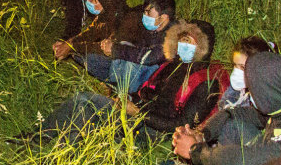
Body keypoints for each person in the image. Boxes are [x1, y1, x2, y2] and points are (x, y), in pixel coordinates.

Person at [14, 19, 222, 147]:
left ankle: (59, 155)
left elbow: (181, 124)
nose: (183, 45)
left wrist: (137, 113)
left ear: (204, 47)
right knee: (83, 101)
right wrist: (126, 100)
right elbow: (149, 90)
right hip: (136, 112)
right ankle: (39, 136)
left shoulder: (206, 83)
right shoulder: (174, 62)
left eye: (190, 42)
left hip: (150, 131)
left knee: (88, 116)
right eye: (182, 39)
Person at [147, 36, 274, 165]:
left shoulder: (264, 101)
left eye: (243, 68)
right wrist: (198, 136)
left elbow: (243, 144)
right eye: (235, 66)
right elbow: (220, 120)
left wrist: (201, 152)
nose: (237, 73)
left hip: (230, 160)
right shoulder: (235, 91)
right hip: (214, 151)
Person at [83, 0, 177, 94]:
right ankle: (114, 87)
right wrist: (112, 44)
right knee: (91, 58)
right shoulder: (153, 29)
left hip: (154, 81)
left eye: (148, 12)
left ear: (163, 17)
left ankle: (125, 96)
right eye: (144, 12)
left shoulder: (173, 35)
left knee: (131, 60)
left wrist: (115, 49)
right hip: (137, 72)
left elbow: (148, 57)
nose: (144, 16)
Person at [53, 0, 123, 62]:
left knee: (87, 55)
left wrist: (72, 47)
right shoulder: (104, 16)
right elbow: (89, 34)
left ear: (104, 1)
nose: (88, 1)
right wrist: (68, 43)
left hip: (123, 60)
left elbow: (106, 48)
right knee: (77, 51)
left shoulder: (120, 20)